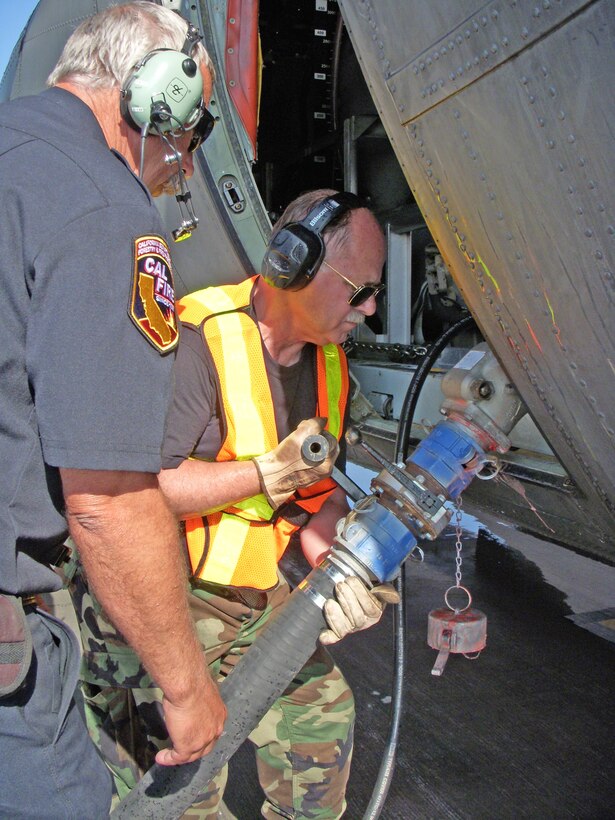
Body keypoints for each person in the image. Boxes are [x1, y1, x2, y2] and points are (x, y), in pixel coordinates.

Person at [71, 188, 399, 818]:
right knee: (183, 790)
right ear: (293, 263)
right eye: (359, 289)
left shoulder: (332, 368)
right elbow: (145, 488)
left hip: (254, 597)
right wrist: (265, 473)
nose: (372, 307)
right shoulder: (194, 339)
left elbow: (319, 501)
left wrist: (344, 575)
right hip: (164, 598)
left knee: (321, 722)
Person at [0, 4, 226, 817]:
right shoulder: (102, 209)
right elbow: (108, 500)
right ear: (155, 96)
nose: (182, 170)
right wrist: (187, 685)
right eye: (189, 136)